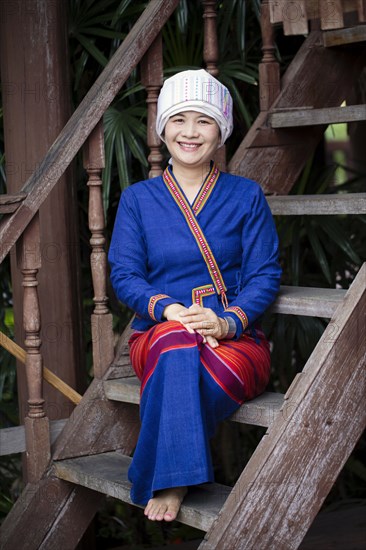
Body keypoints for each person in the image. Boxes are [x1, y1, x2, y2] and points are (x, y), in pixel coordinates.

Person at [109, 69, 281, 523]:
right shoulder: (137, 199)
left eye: (203, 121)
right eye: (179, 119)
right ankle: (175, 474)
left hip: (234, 341)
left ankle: (163, 473)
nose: (190, 132)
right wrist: (168, 309)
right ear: (163, 127)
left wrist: (228, 321)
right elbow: (124, 274)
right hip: (160, 337)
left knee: (186, 361)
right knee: (174, 341)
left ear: (220, 131)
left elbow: (265, 273)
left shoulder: (246, 196)